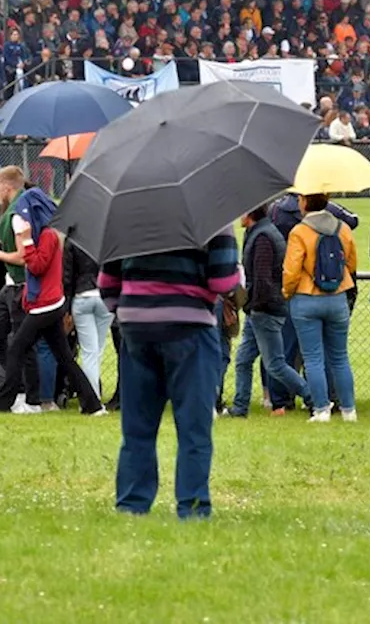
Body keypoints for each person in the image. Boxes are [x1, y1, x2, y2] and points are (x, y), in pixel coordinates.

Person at [100, 226, 239, 519]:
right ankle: (193, 506)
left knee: (137, 427)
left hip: (136, 327)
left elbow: (108, 284)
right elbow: (222, 280)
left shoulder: (127, 216)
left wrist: (128, 311)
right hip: (190, 327)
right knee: (194, 428)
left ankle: (132, 504)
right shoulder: (211, 216)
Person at [0, 187, 104, 416]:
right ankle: (92, 404)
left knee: (17, 348)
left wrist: (27, 243)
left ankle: (2, 403)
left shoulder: (48, 236)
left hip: (46, 304)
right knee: (64, 357)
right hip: (47, 303)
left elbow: (37, 266)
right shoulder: (47, 235)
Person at [282, 192, 359, 423]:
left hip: (306, 298)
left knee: (313, 357)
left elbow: (292, 269)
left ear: (305, 203)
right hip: (337, 297)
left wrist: (287, 291)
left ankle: (321, 408)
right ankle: (349, 409)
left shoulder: (299, 231)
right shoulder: (343, 228)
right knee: (340, 357)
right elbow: (352, 262)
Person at [228, 204, 311, 417]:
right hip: (257, 310)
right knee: (243, 360)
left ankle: (314, 398)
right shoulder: (258, 233)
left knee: (275, 364)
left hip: (264, 310)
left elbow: (263, 280)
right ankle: (240, 407)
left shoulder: (263, 238)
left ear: (251, 213)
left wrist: (252, 305)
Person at [0, 167, 44, 413]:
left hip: (20, 285)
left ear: (7, 187)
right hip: (10, 285)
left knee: (23, 344)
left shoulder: (18, 215)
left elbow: (23, 257)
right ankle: (20, 389)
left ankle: (31, 399)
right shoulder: (11, 212)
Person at [64, 240, 111, 399]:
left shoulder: (74, 241)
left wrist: (67, 308)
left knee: (89, 351)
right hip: (104, 295)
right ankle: (93, 395)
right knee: (98, 349)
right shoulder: (107, 239)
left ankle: (92, 398)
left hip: (82, 295)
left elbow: (67, 277)